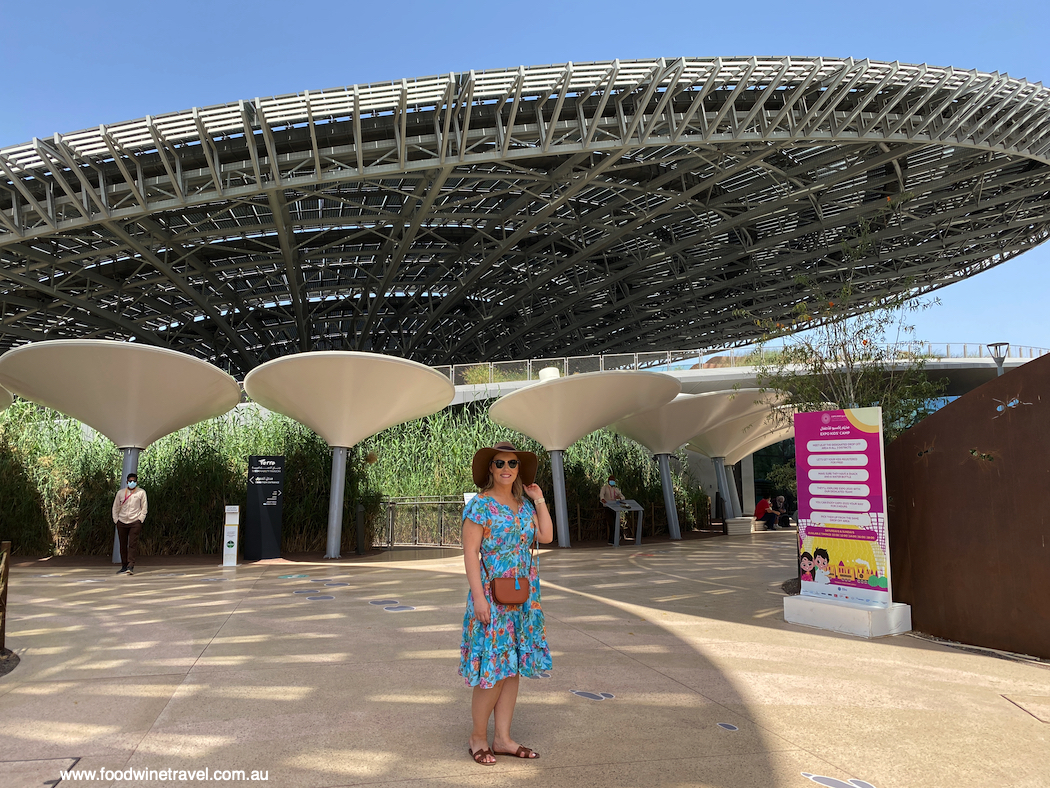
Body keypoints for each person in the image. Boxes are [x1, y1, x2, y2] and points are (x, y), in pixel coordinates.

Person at [460, 441, 553, 766]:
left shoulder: (524, 506)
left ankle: (503, 738)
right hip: (491, 596)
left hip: (522, 595)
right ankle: (478, 737)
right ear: (490, 468)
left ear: (519, 469)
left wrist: (537, 498)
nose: (505, 469)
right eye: (499, 464)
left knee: (511, 668)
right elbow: (471, 553)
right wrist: (479, 598)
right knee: (493, 669)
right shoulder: (480, 506)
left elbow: (546, 536)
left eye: (512, 464)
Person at [112, 472, 147, 575]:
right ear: (127, 482)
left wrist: (141, 519)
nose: (132, 483)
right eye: (130, 481)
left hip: (135, 521)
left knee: (132, 543)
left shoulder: (141, 493)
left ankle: (130, 566)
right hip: (122, 521)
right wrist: (116, 520)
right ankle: (124, 565)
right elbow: (115, 507)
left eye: (134, 481)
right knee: (122, 544)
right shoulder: (120, 493)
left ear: (137, 482)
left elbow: (144, 507)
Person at [599, 474, 626, 544]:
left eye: (613, 480)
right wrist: (602, 499)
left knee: (616, 523)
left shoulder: (616, 490)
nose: (612, 482)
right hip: (607, 507)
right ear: (608, 481)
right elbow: (601, 495)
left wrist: (620, 498)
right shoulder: (604, 488)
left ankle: (614, 539)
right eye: (611, 480)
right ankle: (612, 539)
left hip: (615, 508)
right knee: (611, 524)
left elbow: (623, 497)